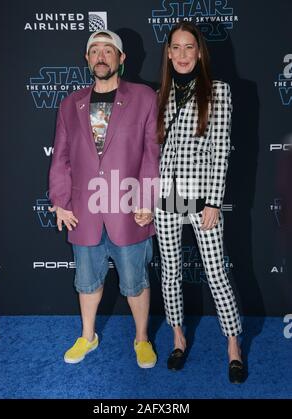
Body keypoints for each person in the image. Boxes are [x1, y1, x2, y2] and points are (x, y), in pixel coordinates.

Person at [48, 29, 160, 368]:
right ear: (86, 59)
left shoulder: (144, 97)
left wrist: (147, 199)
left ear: (121, 59)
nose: (100, 56)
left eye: (108, 51)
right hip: (84, 211)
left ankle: (142, 339)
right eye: (94, 50)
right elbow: (61, 158)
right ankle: (88, 336)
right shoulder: (70, 103)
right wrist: (60, 202)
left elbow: (151, 154)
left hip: (129, 208)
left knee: (135, 282)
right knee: (86, 281)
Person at [154, 22, 245, 383]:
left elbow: (220, 152)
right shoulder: (160, 93)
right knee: (170, 272)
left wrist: (213, 202)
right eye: (175, 48)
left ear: (199, 51)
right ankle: (178, 339)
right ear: (168, 53)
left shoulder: (218, 91)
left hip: (202, 197)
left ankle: (233, 347)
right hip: (165, 199)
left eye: (188, 47)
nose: (181, 55)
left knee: (216, 273)